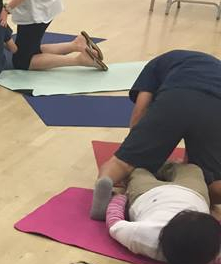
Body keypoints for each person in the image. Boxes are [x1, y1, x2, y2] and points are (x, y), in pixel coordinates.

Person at [91, 50, 221, 218]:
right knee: (209, 176)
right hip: (217, 106)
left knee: (122, 163)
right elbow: (196, 139)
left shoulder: (154, 65)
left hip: (178, 95)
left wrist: (132, 151)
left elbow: (141, 108)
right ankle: (196, 193)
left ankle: (105, 183)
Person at [76, 162, 221, 264]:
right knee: (192, 169)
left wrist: (119, 199)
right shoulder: (211, 252)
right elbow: (115, 223)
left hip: (148, 193)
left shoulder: (144, 236)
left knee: (138, 168)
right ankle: (163, 165)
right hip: (190, 192)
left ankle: (161, 163)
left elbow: (114, 221)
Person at [1, 0, 106, 70]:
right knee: (32, 50)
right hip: (43, 7)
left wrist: (6, 9)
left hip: (36, 13)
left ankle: (80, 60)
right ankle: (77, 45)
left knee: (22, 62)